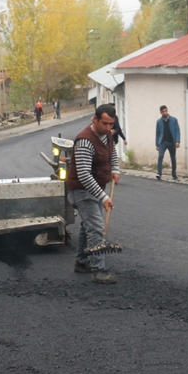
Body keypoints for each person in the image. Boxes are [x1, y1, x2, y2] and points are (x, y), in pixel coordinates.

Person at [66, 104, 121, 284]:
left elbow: (112, 153)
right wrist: (104, 197)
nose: (108, 128)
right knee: (96, 227)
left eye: (111, 124)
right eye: (104, 124)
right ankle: (99, 270)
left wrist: (116, 169)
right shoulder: (85, 141)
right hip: (81, 190)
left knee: (87, 226)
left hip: (96, 188)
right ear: (95, 119)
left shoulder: (108, 135)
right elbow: (83, 175)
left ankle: (82, 261)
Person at [156, 105, 180, 180]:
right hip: (163, 141)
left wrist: (177, 141)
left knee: (173, 158)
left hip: (172, 141)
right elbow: (157, 133)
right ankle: (159, 173)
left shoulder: (174, 120)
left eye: (166, 111)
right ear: (160, 112)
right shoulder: (159, 122)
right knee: (160, 156)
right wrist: (157, 143)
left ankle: (174, 174)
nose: (165, 113)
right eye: (163, 111)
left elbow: (177, 131)